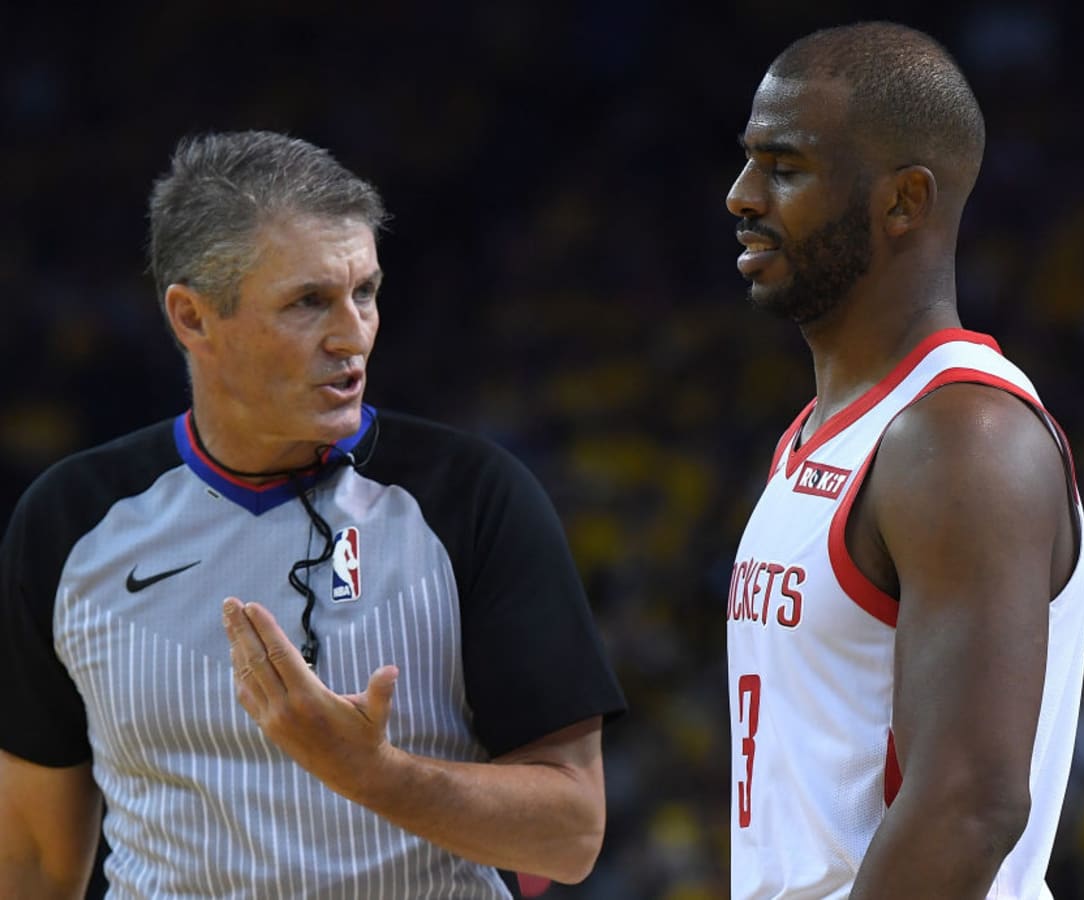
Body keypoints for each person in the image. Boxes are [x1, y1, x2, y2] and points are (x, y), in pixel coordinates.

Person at [0, 130, 625, 898]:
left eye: (364, 291)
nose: (353, 334)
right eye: (308, 302)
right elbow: (32, 858)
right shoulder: (69, 522)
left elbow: (572, 835)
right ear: (192, 318)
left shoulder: (475, 496)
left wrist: (374, 774)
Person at [723, 21, 1084, 899]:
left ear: (903, 202)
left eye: (784, 167)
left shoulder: (963, 437)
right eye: (747, 161)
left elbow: (970, 805)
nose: (740, 195)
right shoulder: (823, 431)